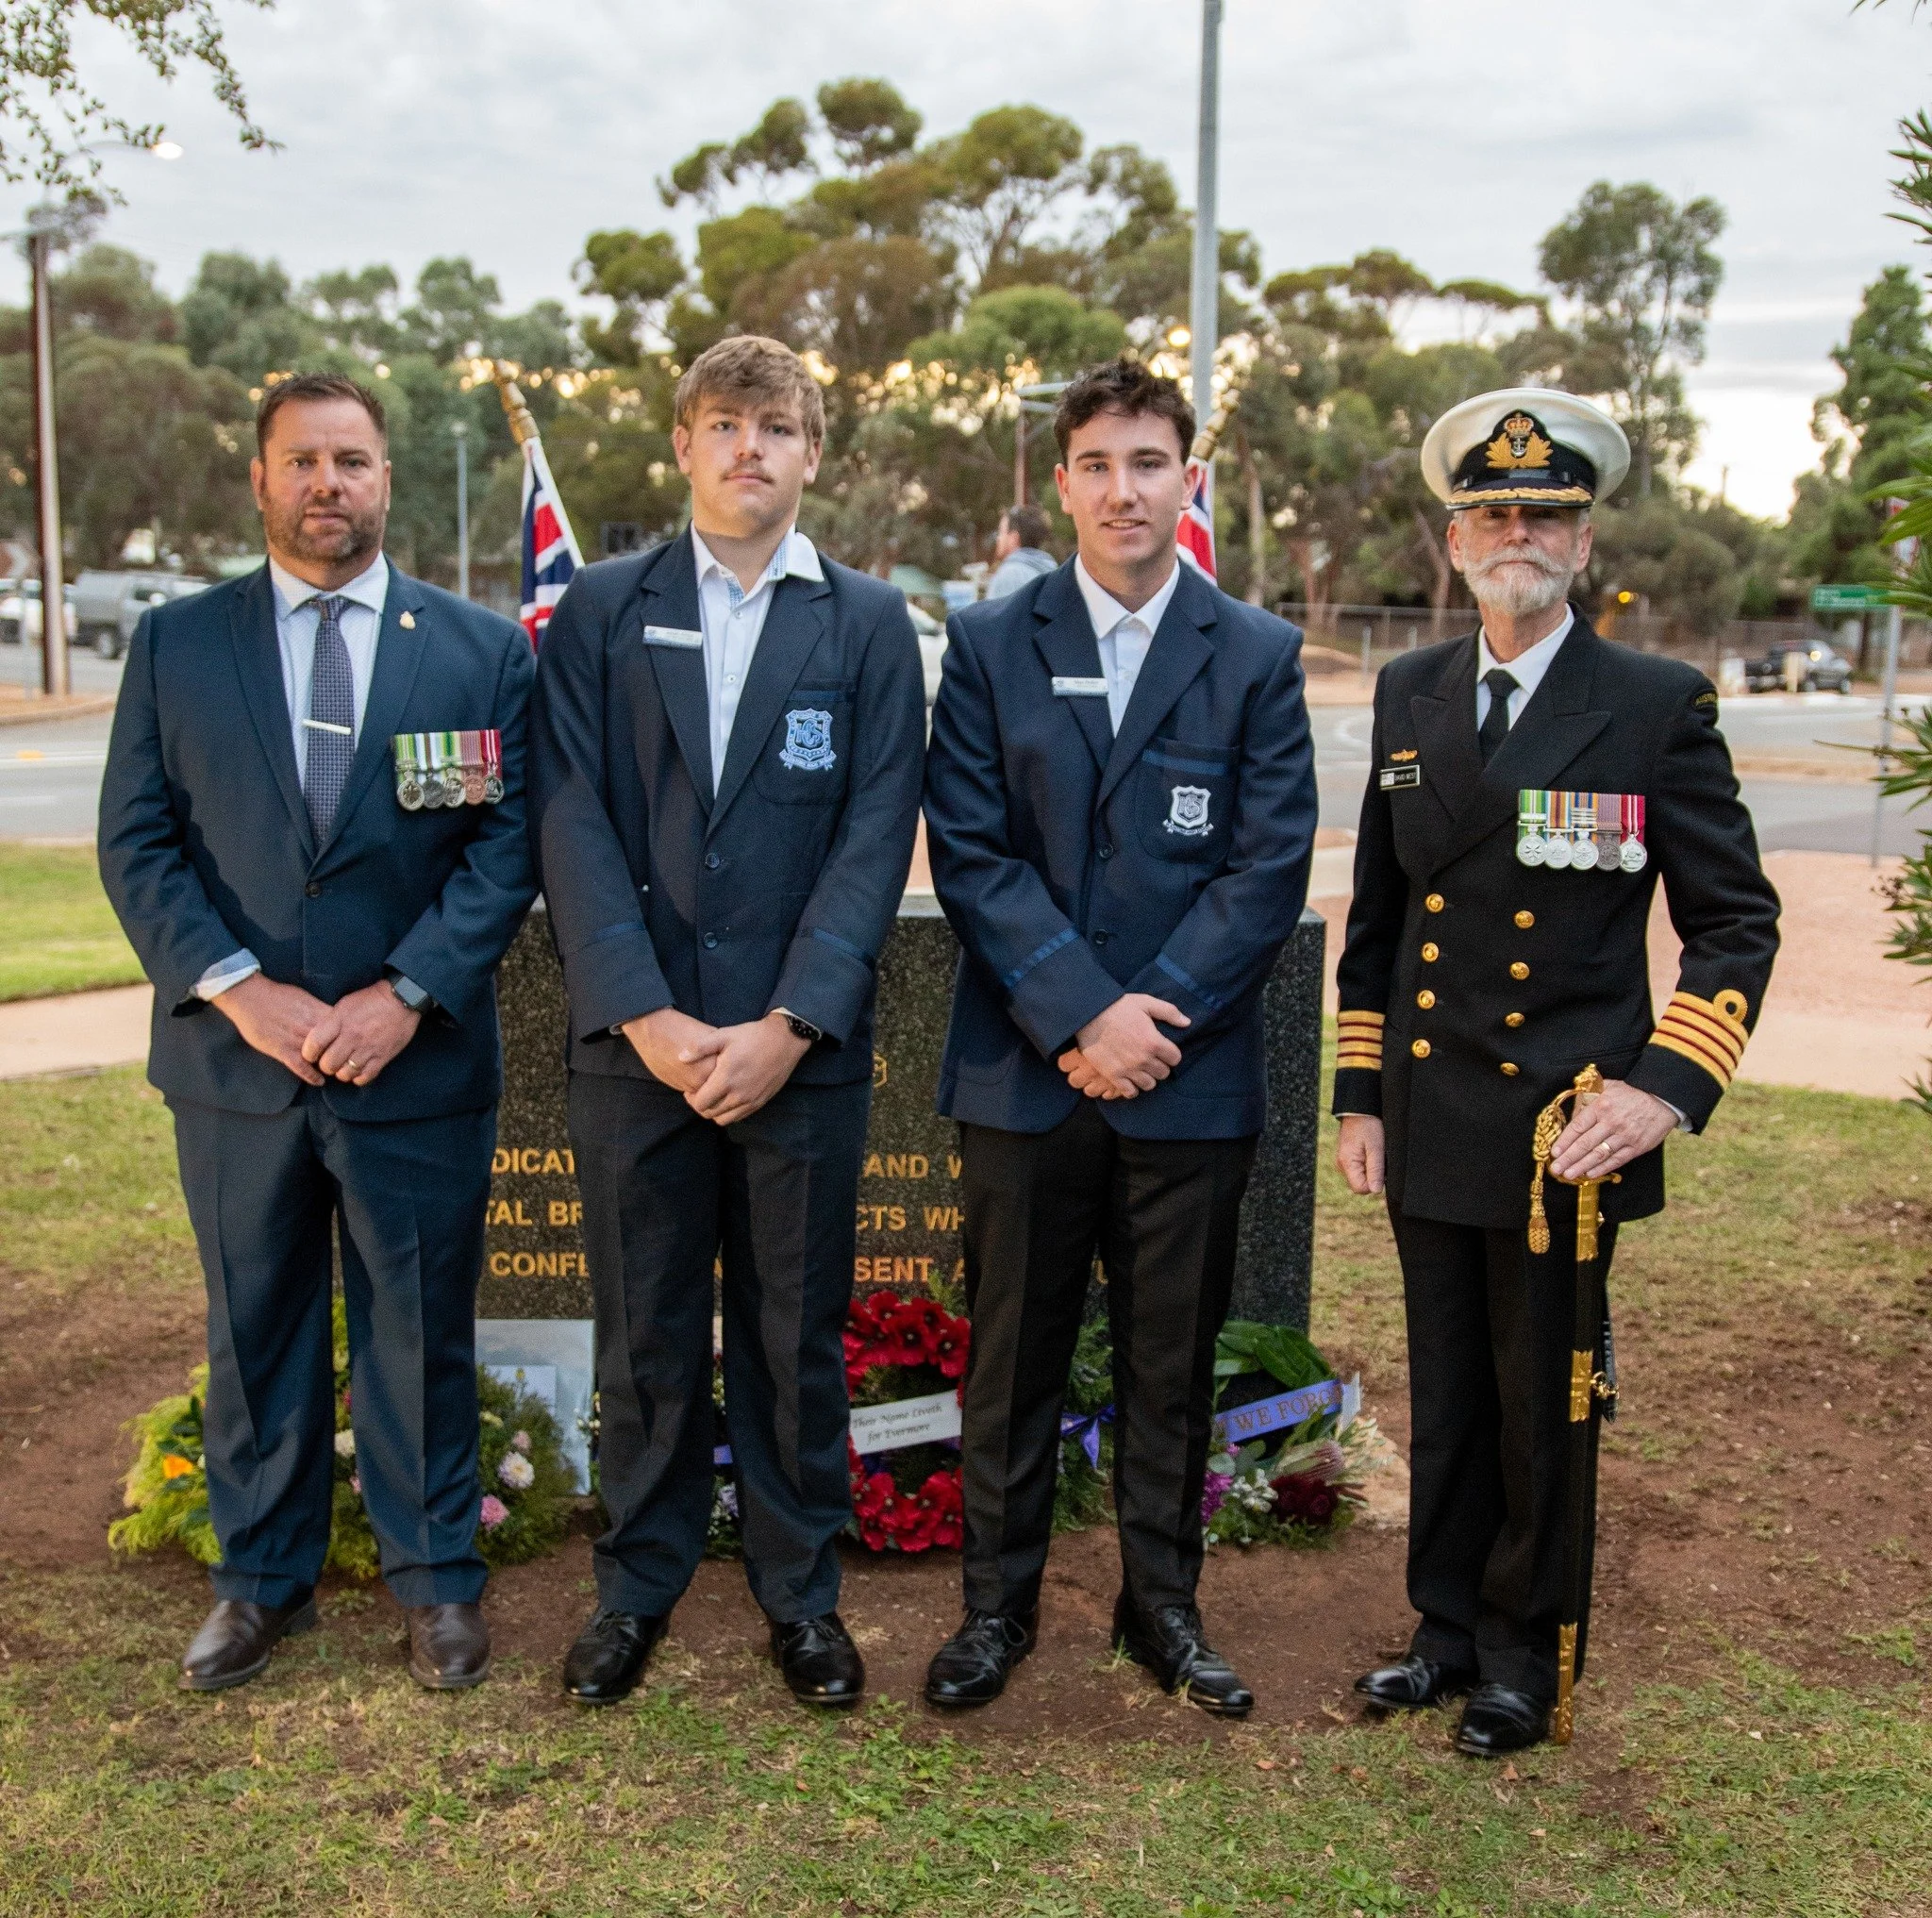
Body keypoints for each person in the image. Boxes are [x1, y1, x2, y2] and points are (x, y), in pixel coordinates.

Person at [1334, 388, 1780, 1756]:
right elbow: (1380, 915)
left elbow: (1735, 920)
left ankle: (1527, 1651)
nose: (1515, 533)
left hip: (1563, 1135)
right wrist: (1359, 1092)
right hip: (1430, 1109)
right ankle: (1445, 1628)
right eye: (1490, 512)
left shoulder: (1652, 706)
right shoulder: (1411, 691)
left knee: (1544, 1397)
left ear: (1582, 547)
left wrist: (1663, 1088)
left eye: (1544, 515)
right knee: (1450, 1386)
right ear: (1453, 540)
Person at [99, 372, 537, 1694]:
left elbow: (501, 848)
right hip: (237, 1068)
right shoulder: (178, 644)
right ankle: (260, 1579)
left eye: (351, 460)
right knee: (256, 1326)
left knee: (417, 1327)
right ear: (260, 477)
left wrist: (403, 995)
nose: (327, 484)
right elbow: (138, 843)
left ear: (386, 478)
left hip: (415, 1063)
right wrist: (241, 987)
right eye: (303, 460)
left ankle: (434, 1580)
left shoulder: (477, 650)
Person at [527, 335, 924, 1711]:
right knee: (642, 1332)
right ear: (682, 446)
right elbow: (568, 815)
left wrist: (789, 1022)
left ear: (815, 452)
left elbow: (877, 836)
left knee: (791, 1332)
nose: (748, 447)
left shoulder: (870, 623)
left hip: (795, 1055)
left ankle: (800, 1592)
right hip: (637, 1054)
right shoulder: (598, 610)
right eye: (722, 423)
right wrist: (642, 1012)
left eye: (776, 426)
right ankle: (635, 1584)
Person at [920, 357, 1318, 1717]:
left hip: (1185, 1080)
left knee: (1169, 1364)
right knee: (1011, 1360)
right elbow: (972, 855)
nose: (1123, 488)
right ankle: (995, 1611)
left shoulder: (1257, 654)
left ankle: (1165, 1611)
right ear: (1064, 482)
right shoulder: (986, 643)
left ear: (1187, 478)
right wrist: (1082, 1012)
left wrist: (1148, 1024)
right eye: (1097, 463)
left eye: (1150, 462)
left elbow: (1266, 872)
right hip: (1026, 1076)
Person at [983, 503, 1057, 600]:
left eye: (1001, 532)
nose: (998, 539)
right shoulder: (1053, 573)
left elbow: (995, 614)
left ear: (1014, 538)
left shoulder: (1008, 576)